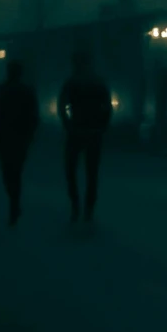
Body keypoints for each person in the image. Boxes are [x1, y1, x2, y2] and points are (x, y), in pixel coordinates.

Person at [57, 47, 112, 223]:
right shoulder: (98, 82)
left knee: (71, 171)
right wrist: (103, 126)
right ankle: (89, 209)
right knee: (92, 173)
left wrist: (68, 125)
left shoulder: (71, 82)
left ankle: (76, 206)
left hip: (76, 132)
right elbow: (108, 107)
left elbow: (61, 106)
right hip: (94, 132)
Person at [0, 59, 40, 226]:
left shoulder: (0, 90)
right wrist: (31, 135)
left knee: (8, 171)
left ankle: (14, 202)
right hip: (20, 137)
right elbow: (34, 115)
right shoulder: (27, 91)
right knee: (16, 171)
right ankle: (14, 203)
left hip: (5, 136)